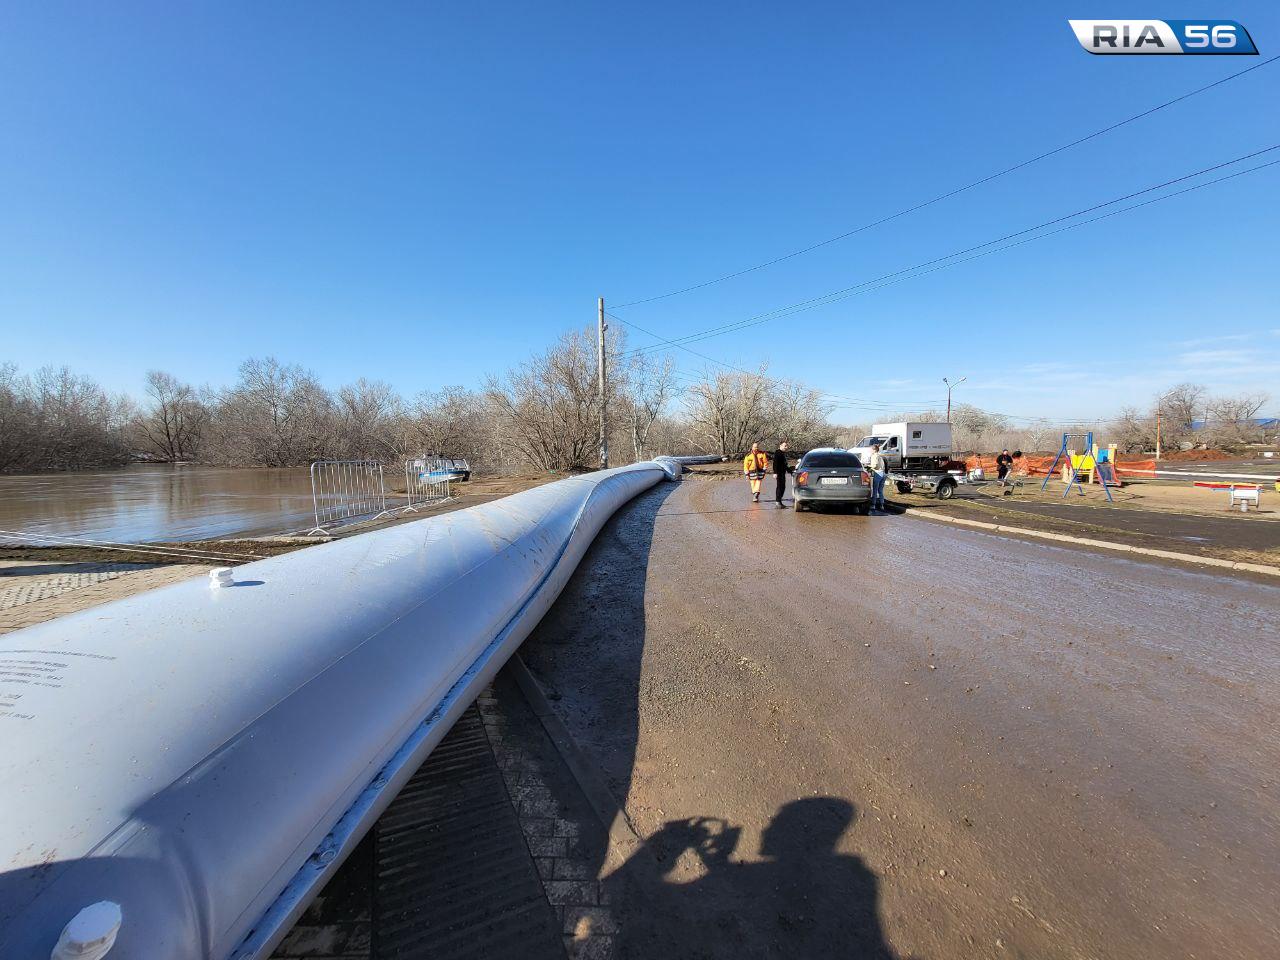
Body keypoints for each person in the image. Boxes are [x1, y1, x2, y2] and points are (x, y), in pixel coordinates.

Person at [771, 441, 794, 507]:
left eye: (786, 446)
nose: (786, 447)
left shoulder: (782, 453)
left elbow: (784, 465)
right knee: (780, 487)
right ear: (780, 446)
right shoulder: (778, 453)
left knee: (783, 487)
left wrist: (790, 471)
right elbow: (775, 463)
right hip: (779, 473)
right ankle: (778, 502)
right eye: (785, 446)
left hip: (782, 472)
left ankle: (779, 501)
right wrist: (775, 472)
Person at [865, 442, 886, 512]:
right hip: (883, 473)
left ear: (874, 450)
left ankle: (873, 505)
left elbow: (875, 465)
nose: (870, 451)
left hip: (878, 474)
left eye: (871, 450)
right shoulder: (880, 455)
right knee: (880, 491)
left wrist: (868, 467)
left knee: (875, 490)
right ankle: (882, 505)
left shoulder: (874, 456)